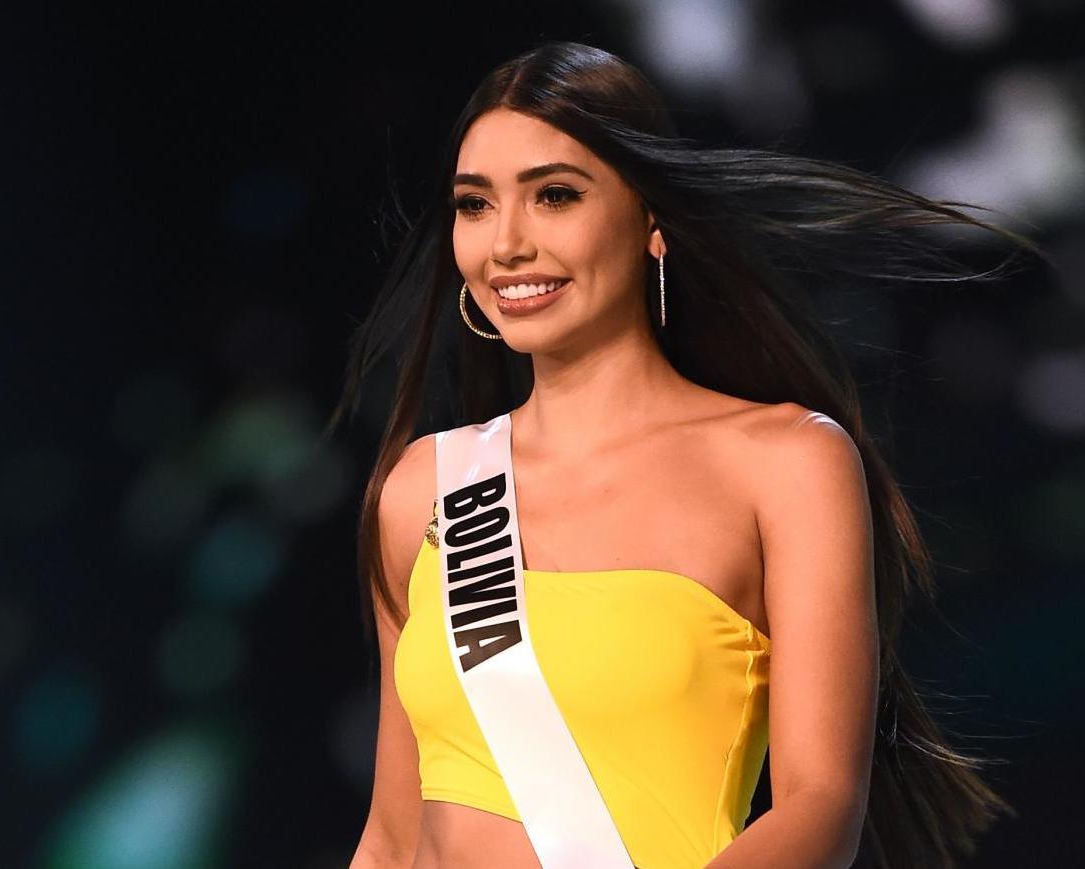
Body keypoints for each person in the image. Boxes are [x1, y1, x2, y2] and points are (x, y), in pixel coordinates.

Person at [331, 40, 1040, 869]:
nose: (507, 244)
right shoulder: (426, 486)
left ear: (651, 222)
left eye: (554, 196)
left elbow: (819, 805)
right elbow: (390, 836)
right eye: (474, 204)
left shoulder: (784, 464)